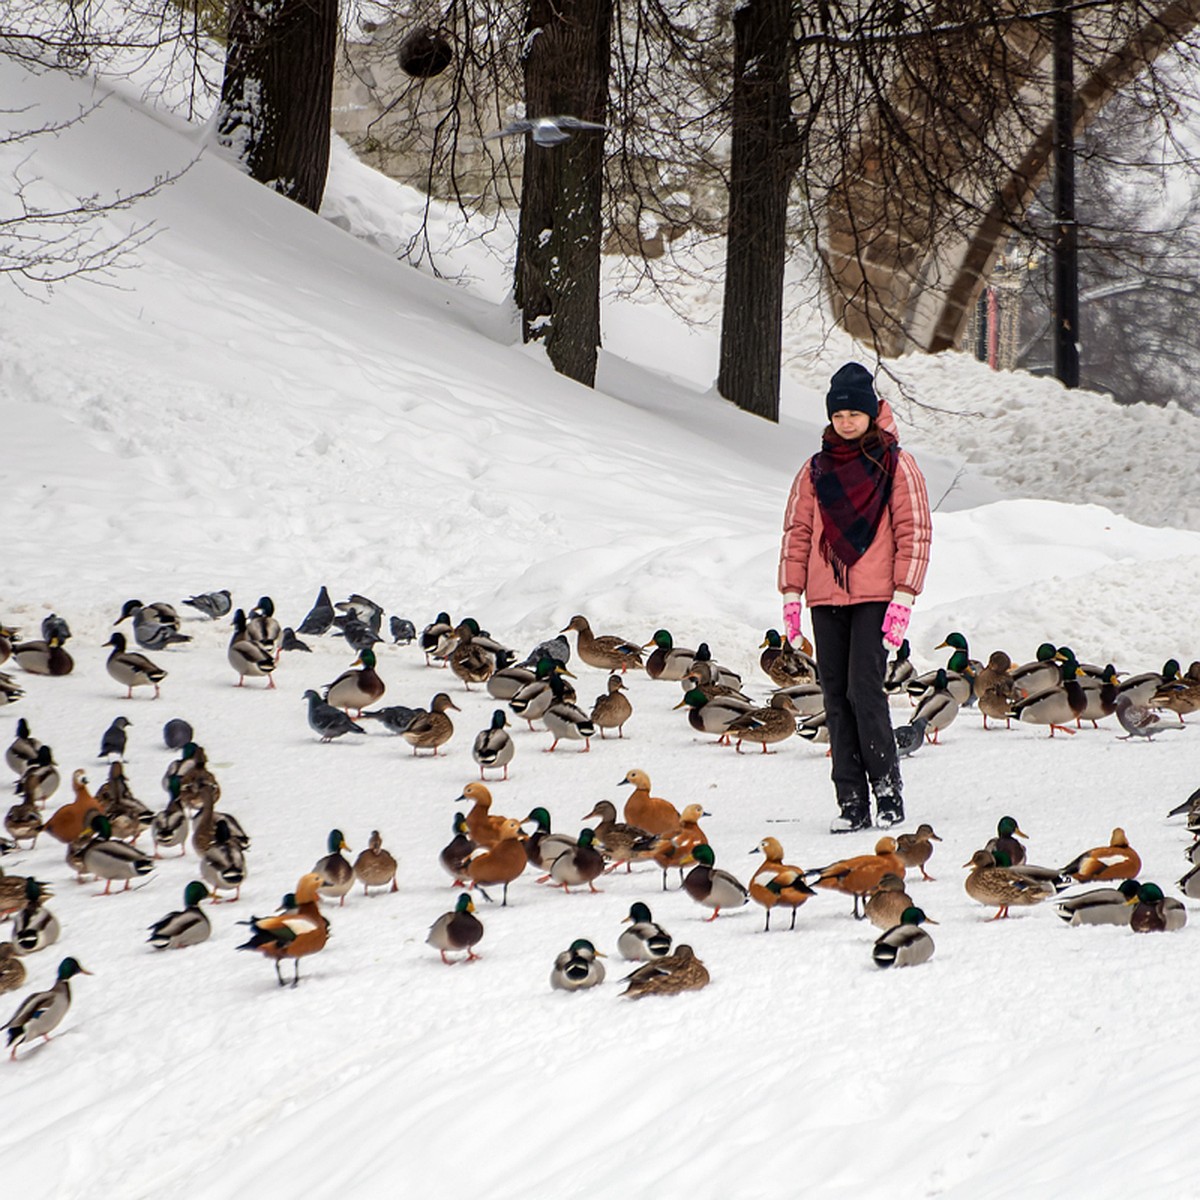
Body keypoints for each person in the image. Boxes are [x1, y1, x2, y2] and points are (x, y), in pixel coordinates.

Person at [778, 362, 932, 833]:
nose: (846, 422)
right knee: (835, 697)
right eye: (838, 414)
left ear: (871, 413)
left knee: (865, 691)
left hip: (876, 597)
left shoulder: (896, 464)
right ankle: (850, 800)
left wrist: (904, 598)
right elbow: (798, 532)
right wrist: (790, 592)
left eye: (854, 414)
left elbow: (915, 532)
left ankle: (887, 792)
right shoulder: (816, 469)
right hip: (826, 598)